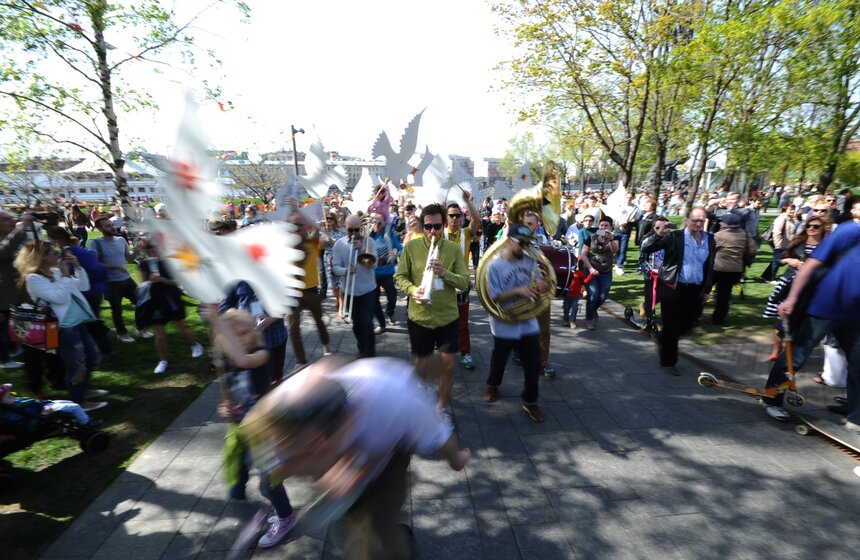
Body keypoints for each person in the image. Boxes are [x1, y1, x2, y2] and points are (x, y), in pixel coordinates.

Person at [239, 356, 471, 559]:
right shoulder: (278, 421)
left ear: (352, 416)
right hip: (352, 432)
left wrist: (456, 458)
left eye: (314, 454)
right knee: (353, 511)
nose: (308, 467)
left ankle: (395, 541)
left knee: (378, 540)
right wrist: (318, 475)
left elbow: (440, 434)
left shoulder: (396, 399)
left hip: (390, 448)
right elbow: (277, 463)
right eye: (300, 455)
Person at [200, 306, 296, 549]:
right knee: (240, 474)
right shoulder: (227, 362)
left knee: (268, 482)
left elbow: (243, 359)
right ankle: (263, 502)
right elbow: (228, 396)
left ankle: (286, 517)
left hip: (264, 429)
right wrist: (225, 408)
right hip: (243, 429)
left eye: (244, 333)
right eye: (234, 335)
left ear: (253, 334)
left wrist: (218, 322)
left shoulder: (260, 354)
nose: (241, 339)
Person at [759, 206, 859, 428]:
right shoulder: (849, 231)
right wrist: (792, 299)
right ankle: (771, 398)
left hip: (855, 314)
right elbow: (812, 264)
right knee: (796, 355)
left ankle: (856, 414)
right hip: (825, 306)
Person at [14, 240, 107, 411]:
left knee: (92, 358)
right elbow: (59, 298)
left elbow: (83, 286)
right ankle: (79, 401)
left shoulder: (56, 272)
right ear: (41, 257)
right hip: (64, 328)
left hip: (79, 322)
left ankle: (84, 389)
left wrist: (77, 268)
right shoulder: (33, 278)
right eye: (52, 252)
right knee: (77, 365)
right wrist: (65, 276)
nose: (56, 254)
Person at [394, 204, 469, 414]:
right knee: (422, 365)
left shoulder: (453, 249)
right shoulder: (411, 247)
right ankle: (422, 402)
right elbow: (399, 277)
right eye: (428, 227)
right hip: (420, 317)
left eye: (437, 226)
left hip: (447, 318)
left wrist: (446, 274)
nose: (433, 232)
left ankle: (441, 408)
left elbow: (464, 283)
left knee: (448, 366)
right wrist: (412, 290)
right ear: (423, 226)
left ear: (444, 225)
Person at [482, 224, 549, 422]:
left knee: (532, 362)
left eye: (528, 243)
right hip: (504, 320)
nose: (526, 247)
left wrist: (540, 285)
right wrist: (519, 291)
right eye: (522, 243)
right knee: (499, 358)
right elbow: (494, 298)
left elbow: (537, 282)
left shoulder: (529, 260)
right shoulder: (494, 266)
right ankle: (493, 385)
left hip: (527, 320)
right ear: (510, 241)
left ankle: (530, 401)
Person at [641, 207, 715, 374]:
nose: (698, 223)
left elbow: (710, 265)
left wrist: (707, 290)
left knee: (690, 322)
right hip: (673, 288)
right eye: (695, 220)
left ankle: (663, 338)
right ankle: (669, 362)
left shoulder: (709, 240)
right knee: (672, 326)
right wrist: (659, 232)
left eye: (702, 220)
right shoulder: (674, 237)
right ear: (687, 220)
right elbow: (647, 248)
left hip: (695, 289)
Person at [134, 240, 204, 374]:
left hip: (171, 297)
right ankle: (162, 360)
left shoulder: (169, 261)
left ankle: (195, 345)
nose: (151, 250)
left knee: (181, 327)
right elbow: (143, 284)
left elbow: (177, 282)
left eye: (154, 246)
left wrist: (162, 280)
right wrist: (150, 281)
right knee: (160, 334)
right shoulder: (143, 263)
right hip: (154, 300)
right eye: (148, 247)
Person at [90, 216, 151, 343]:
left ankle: (141, 329)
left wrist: (137, 251)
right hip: (110, 283)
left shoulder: (121, 240)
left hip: (127, 279)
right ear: (99, 229)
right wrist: (115, 266)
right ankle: (122, 333)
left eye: (111, 224)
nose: (112, 227)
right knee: (117, 310)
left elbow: (129, 258)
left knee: (141, 303)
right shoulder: (95, 243)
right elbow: (94, 263)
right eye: (107, 226)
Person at [286, 209, 331, 367]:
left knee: (319, 321)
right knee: (293, 328)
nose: (297, 229)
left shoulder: (312, 242)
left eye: (300, 226)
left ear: (305, 227)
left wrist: (299, 212)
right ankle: (300, 361)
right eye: (294, 226)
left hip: (311, 290)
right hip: (293, 293)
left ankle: (326, 345)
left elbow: (319, 229)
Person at [221, 281, 288, 385]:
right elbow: (224, 305)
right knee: (253, 382)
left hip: (275, 338)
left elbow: (291, 300)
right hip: (246, 342)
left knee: (276, 380)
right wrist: (239, 320)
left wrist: (273, 318)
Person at [333, 215, 378, 358]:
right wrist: (346, 271)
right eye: (350, 230)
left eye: (356, 230)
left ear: (361, 228)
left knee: (367, 322)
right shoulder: (339, 244)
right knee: (357, 324)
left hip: (368, 289)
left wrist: (362, 250)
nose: (353, 234)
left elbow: (374, 264)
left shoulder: (370, 242)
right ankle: (361, 346)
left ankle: (369, 354)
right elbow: (335, 268)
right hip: (349, 290)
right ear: (345, 228)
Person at [444, 195, 479, 370]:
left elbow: (477, 220)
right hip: (443, 285)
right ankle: (443, 348)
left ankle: (465, 353)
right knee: (442, 320)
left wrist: (468, 202)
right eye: (451, 215)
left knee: (463, 323)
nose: (455, 218)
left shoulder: (466, 233)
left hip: (461, 285)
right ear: (446, 218)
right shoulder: (440, 233)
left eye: (458, 215)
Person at [523, 211, 555, 377]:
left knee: (544, 328)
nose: (527, 227)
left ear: (537, 225)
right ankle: (518, 351)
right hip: (522, 291)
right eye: (525, 223)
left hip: (542, 291)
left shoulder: (543, 242)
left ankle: (543, 359)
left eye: (530, 224)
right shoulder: (515, 242)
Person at [711, 213, 757, 324]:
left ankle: (696, 314)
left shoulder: (719, 236)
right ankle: (719, 318)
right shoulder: (744, 234)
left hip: (718, 268)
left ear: (725, 224)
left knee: (704, 290)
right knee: (724, 295)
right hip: (735, 270)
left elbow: (710, 250)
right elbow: (753, 250)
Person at [1, 210, 31, 369]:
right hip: (3, 295)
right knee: (2, 328)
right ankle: (4, 359)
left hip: (19, 289)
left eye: (12, 218)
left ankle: (17, 348)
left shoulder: (13, 237)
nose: (11, 222)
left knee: (20, 322)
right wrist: (22, 227)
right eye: (6, 219)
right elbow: (3, 251)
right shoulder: (10, 239)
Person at [579, 216, 619, 331]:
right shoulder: (591, 237)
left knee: (602, 296)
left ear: (611, 227)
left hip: (606, 272)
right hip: (592, 270)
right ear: (598, 226)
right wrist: (590, 268)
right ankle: (589, 320)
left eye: (606, 226)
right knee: (593, 296)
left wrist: (610, 239)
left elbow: (615, 250)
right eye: (602, 225)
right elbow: (583, 254)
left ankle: (593, 310)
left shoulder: (613, 238)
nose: (604, 227)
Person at [369, 212, 402, 334]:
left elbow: (401, 249)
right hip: (373, 273)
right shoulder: (369, 236)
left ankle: (390, 312)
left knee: (392, 296)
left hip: (387, 272)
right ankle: (381, 324)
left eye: (379, 222)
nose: (376, 224)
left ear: (384, 223)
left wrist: (395, 254)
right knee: (374, 300)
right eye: (374, 222)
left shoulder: (389, 236)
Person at [320, 213, 347, 319]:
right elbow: (320, 247)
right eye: (327, 219)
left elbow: (339, 244)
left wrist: (328, 237)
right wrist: (322, 237)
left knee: (340, 284)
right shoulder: (322, 231)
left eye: (331, 218)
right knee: (333, 286)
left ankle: (341, 307)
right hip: (327, 260)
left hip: (338, 260)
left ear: (335, 220)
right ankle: (338, 300)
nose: (329, 220)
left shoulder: (340, 231)